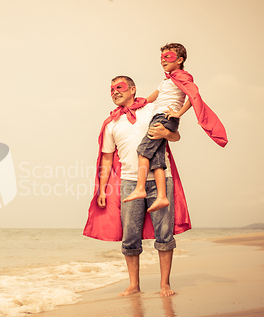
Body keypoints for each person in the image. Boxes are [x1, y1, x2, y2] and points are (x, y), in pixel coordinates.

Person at [83, 75, 192, 297]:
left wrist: (167, 133)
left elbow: (175, 136)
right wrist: (102, 188)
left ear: (133, 89)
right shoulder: (111, 123)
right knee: (130, 235)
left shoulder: (152, 109)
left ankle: (164, 285)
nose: (115, 91)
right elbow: (106, 158)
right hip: (129, 183)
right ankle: (134, 285)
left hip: (161, 180)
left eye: (120, 87)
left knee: (164, 233)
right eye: (111, 89)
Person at [123, 43, 228, 212]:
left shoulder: (183, 76)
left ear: (179, 60)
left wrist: (179, 113)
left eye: (168, 57)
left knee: (142, 151)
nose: (163, 60)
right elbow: (150, 98)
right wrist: (136, 105)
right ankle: (162, 197)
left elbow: (194, 96)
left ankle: (140, 188)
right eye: (161, 58)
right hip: (158, 117)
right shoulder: (166, 80)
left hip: (165, 118)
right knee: (157, 160)